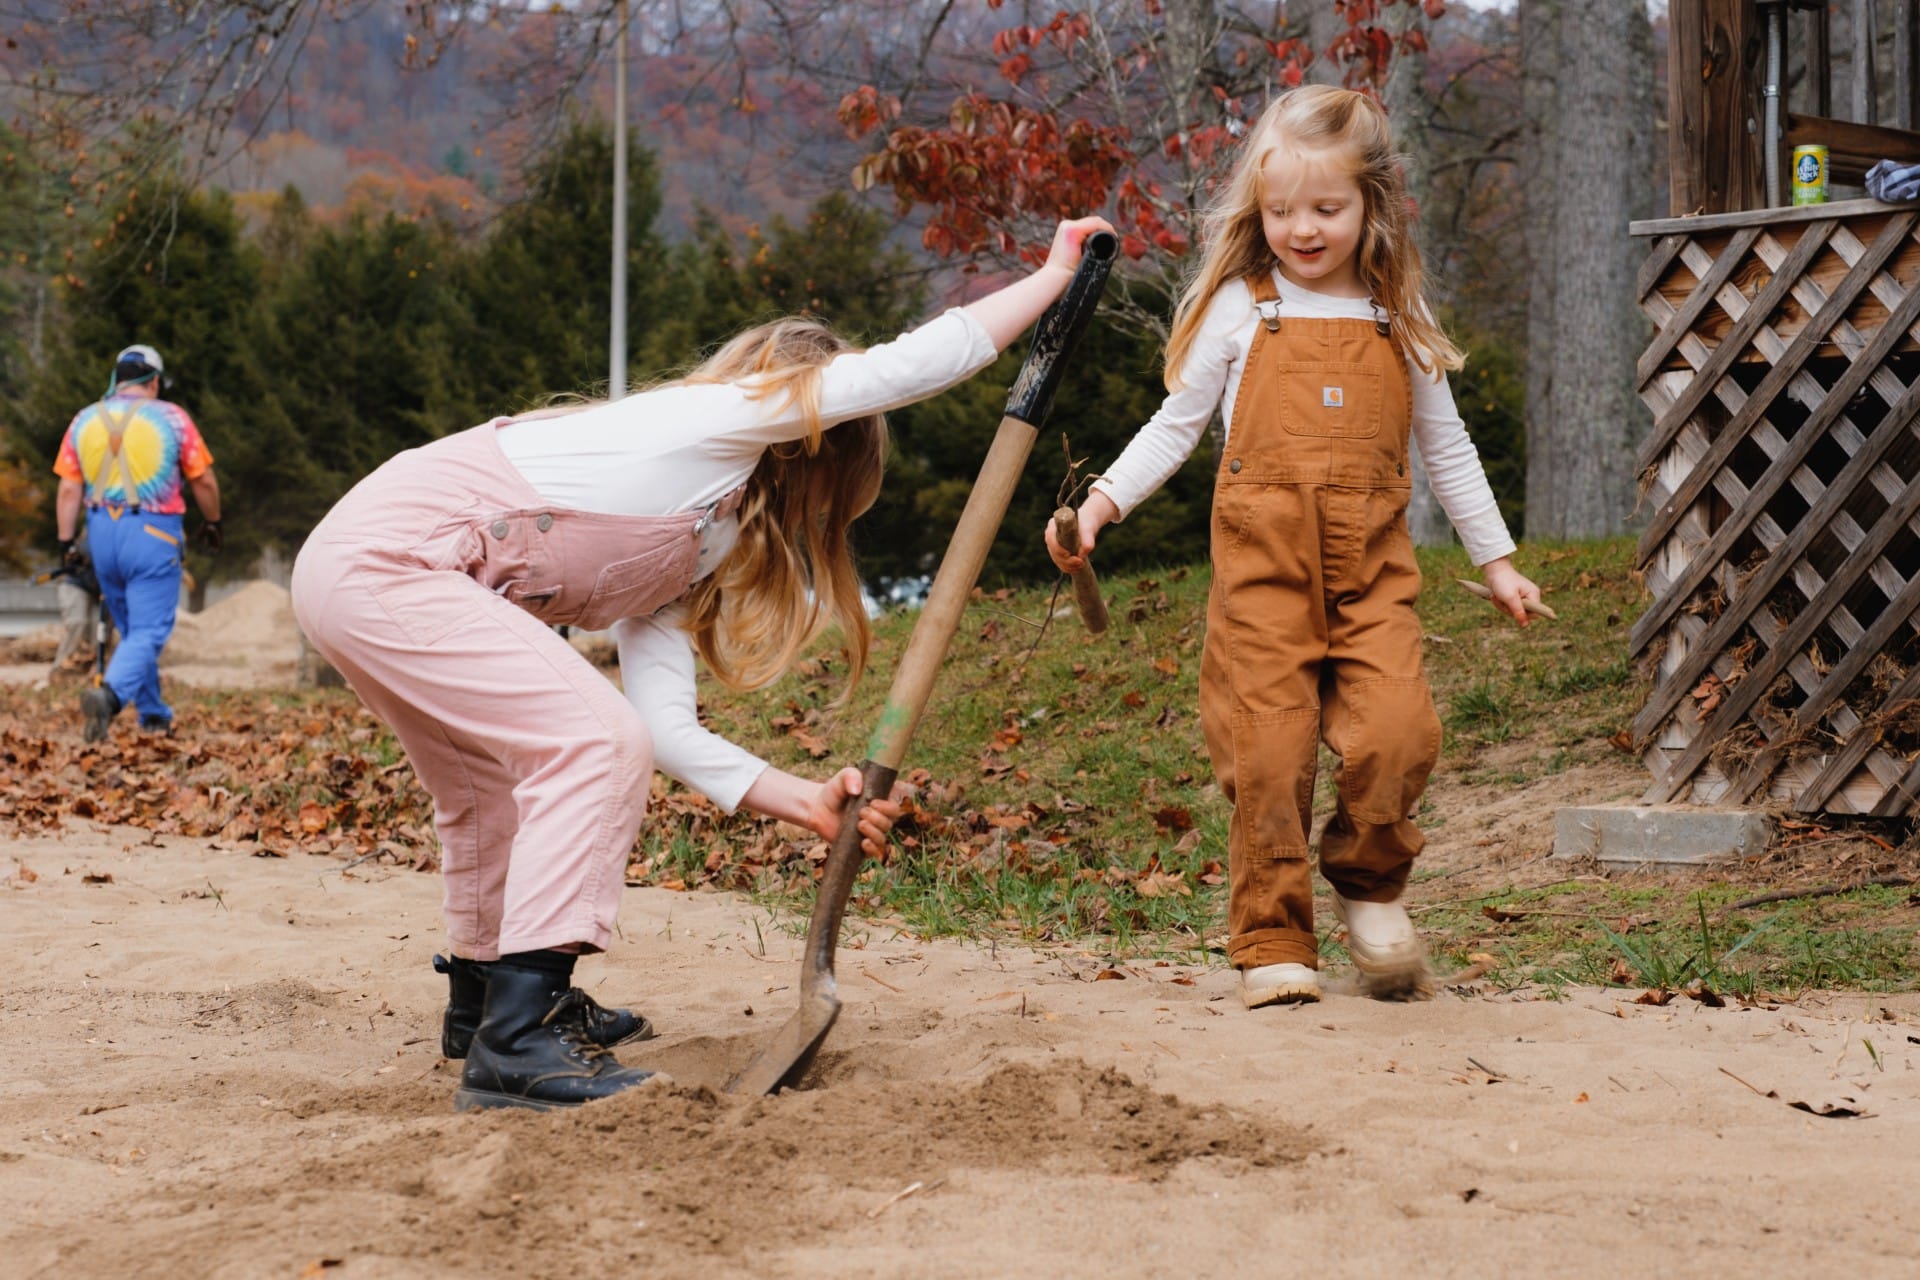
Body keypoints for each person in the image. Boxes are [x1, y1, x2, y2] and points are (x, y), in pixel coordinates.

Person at [291, 214, 1116, 1112]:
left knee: (493, 789)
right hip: (384, 564)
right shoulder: (723, 417)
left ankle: (490, 1003)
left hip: (358, 575)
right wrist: (1053, 279)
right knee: (590, 741)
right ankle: (522, 1041)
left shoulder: (695, 536)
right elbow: (907, 366)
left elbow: (665, 729)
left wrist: (801, 798)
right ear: (816, 437)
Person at [1045, 87, 1542, 1009]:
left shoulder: (1399, 311)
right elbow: (1173, 425)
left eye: (1326, 209)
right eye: (1280, 212)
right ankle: (1273, 933)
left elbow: (1448, 443)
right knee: (1268, 753)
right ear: (1256, 210)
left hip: (1373, 573)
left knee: (1398, 732)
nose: (1302, 230)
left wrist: (1496, 560)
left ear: (1374, 207)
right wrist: (1101, 505)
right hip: (1262, 577)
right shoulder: (1241, 306)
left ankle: (1370, 885)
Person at [53, 343, 223, 740]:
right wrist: (213, 521)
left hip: (101, 534)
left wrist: (66, 544)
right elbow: (204, 480)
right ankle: (109, 698)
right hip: (152, 533)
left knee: (132, 629)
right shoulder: (173, 418)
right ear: (156, 381)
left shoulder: (84, 420)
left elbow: (67, 490)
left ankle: (153, 714)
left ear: (118, 378)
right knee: (150, 629)